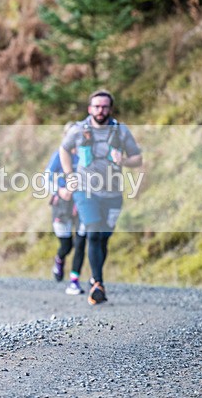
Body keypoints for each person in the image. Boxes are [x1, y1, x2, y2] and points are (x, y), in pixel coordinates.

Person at [59, 90, 142, 305]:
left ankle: (96, 279)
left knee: (103, 238)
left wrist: (123, 160)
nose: (100, 111)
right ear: (89, 109)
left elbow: (138, 158)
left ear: (110, 109)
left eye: (104, 107)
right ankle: (98, 283)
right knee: (94, 232)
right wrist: (69, 176)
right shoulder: (78, 130)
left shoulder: (121, 131)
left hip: (113, 192)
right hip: (86, 190)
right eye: (96, 106)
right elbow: (64, 150)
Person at [45, 123, 87, 295]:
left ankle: (74, 281)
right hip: (62, 204)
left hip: (82, 202)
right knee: (66, 245)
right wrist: (59, 190)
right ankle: (59, 258)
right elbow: (46, 177)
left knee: (81, 242)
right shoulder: (59, 155)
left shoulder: (86, 156)